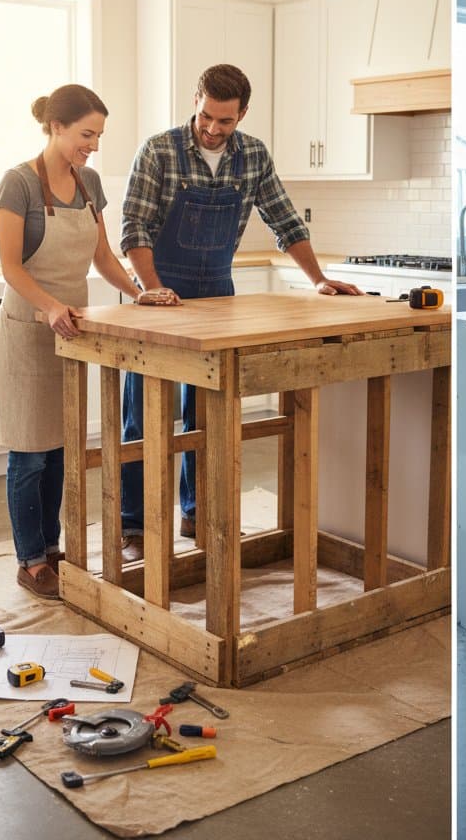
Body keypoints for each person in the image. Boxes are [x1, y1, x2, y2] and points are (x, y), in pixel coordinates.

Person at [118, 63, 361, 562]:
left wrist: (318, 278)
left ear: (242, 114)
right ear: (196, 100)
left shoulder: (253, 155)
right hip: (160, 292)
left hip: (218, 291)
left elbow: (285, 219)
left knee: (205, 413)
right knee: (143, 418)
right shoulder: (159, 150)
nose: (212, 128)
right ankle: (134, 526)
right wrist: (154, 291)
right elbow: (134, 228)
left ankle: (198, 513)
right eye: (206, 116)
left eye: (224, 121)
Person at [0, 85, 152, 599]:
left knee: (60, 450)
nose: (94, 145)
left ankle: (53, 550)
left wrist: (140, 291)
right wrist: (50, 306)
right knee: (29, 453)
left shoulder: (90, 184)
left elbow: (103, 254)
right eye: (86, 134)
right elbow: (10, 266)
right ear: (56, 127)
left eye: (99, 135)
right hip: (27, 333)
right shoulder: (16, 184)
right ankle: (30, 559)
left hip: (71, 333)